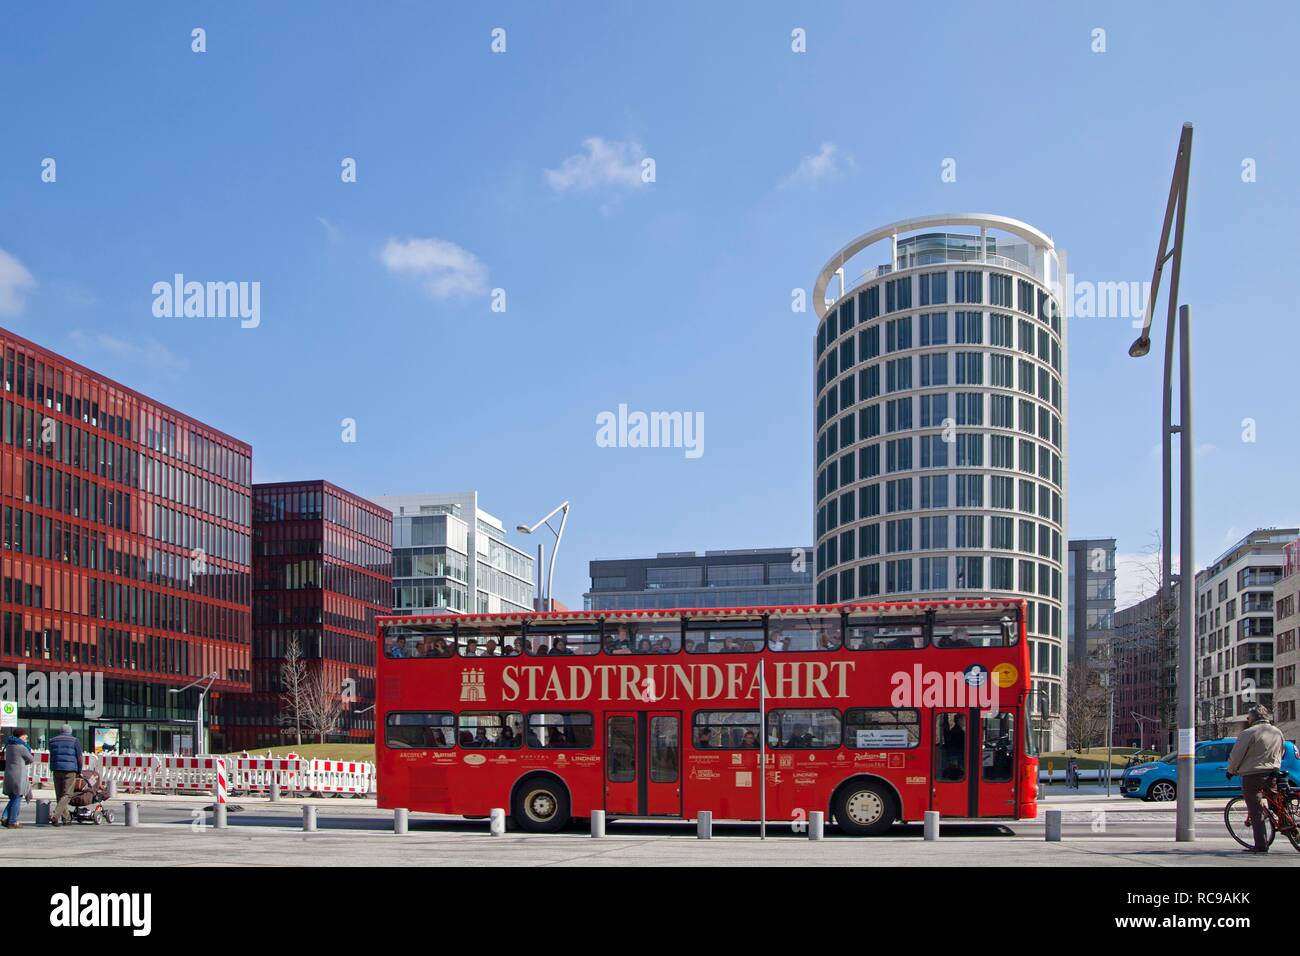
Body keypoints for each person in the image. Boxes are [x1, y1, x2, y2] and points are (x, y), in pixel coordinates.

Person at [1227, 704, 1286, 853]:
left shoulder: (1248, 733)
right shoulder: (1277, 732)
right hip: (1272, 773)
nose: (1247, 719)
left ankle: (1261, 845)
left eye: (1248, 717)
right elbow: (1282, 751)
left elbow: (1237, 755)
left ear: (1253, 717)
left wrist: (1231, 771)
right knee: (1276, 802)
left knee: (1255, 810)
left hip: (1252, 775)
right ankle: (1289, 828)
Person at [48, 724, 83, 827]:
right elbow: (79, 758)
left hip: (56, 769)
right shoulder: (74, 741)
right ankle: (55, 815)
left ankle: (67, 819)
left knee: (60, 795)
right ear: (70, 731)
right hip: (70, 770)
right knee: (67, 794)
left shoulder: (52, 741)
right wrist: (79, 770)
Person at [3, 729, 34, 829]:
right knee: (17, 797)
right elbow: (31, 759)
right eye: (25, 735)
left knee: (13, 797)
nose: (26, 737)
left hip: (9, 774)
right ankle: (12, 821)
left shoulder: (9, 746)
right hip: (18, 776)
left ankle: (5, 817)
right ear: (21, 736)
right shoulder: (21, 747)